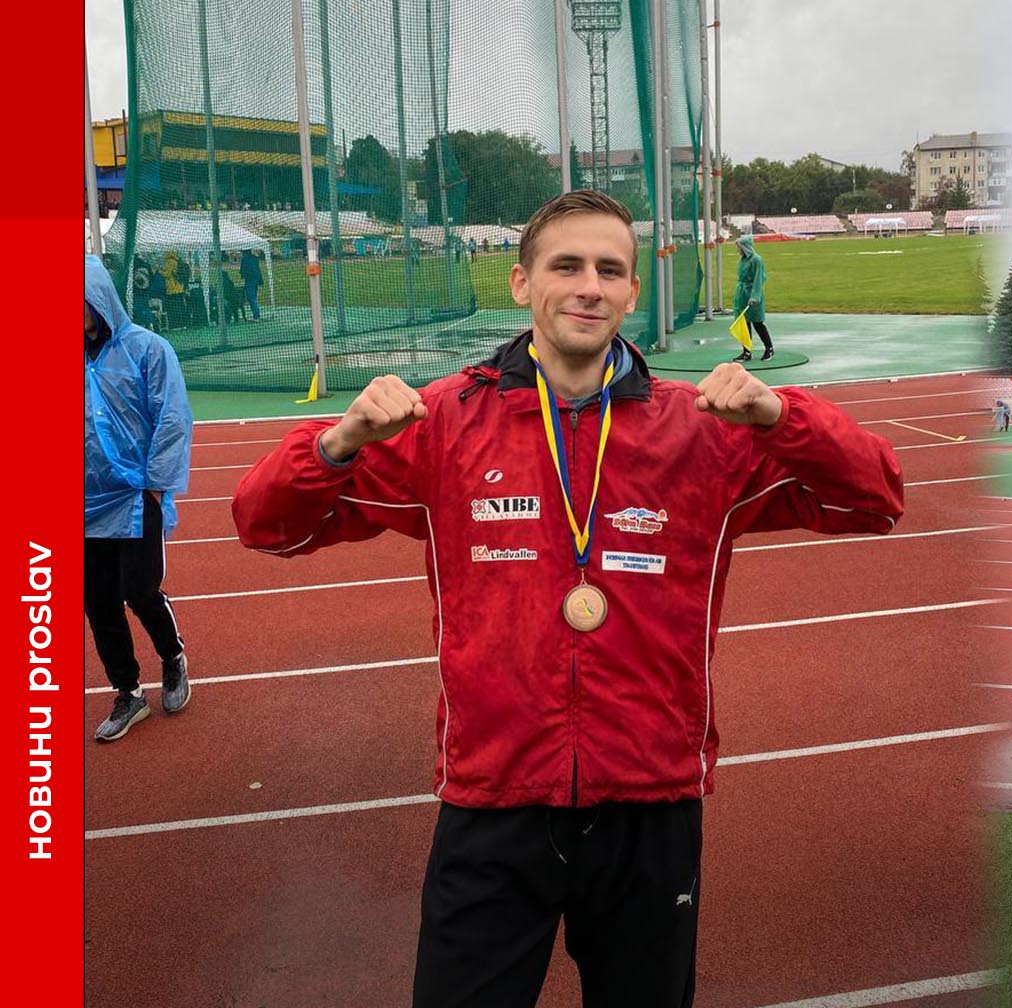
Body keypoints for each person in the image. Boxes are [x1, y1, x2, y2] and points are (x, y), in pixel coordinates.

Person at [232, 189, 905, 1007]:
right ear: (521, 283)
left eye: (610, 270)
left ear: (631, 293)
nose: (589, 286)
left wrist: (783, 415)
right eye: (567, 265)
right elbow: (266, 526)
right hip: (493, 799)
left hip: (650, 801)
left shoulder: (707, 431)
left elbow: (878, 499)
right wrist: (335, 443)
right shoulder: (443, 423)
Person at [84, 254, 193, 742]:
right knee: (97, 600)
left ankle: (172, 657)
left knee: (140, 589)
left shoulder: (148, 350)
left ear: (97, 298)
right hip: (85, 501)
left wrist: (155, 483)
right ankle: (128, 692)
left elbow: (171, 418)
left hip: (134, 495)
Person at [732, 234, 774, 362]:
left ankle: (769, 348)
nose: (737, 250)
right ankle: (746, 351)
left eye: (739, 247)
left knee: (757, 323)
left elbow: (759, 279)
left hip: (753, 294)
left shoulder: (756, 260)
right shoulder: (742, 260)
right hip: (742, 294)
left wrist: (754, 296)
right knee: (744, 323)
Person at [240, 249, 264, 320]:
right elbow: (258, 269)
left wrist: (243, 275)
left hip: (249, 280)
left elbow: (243, 270)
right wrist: (260, 280)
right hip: (256, 279)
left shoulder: (244, 259)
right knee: (253, 297)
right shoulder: (255, 258)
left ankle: (256, 315)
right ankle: (256, 314)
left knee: (251, 298)